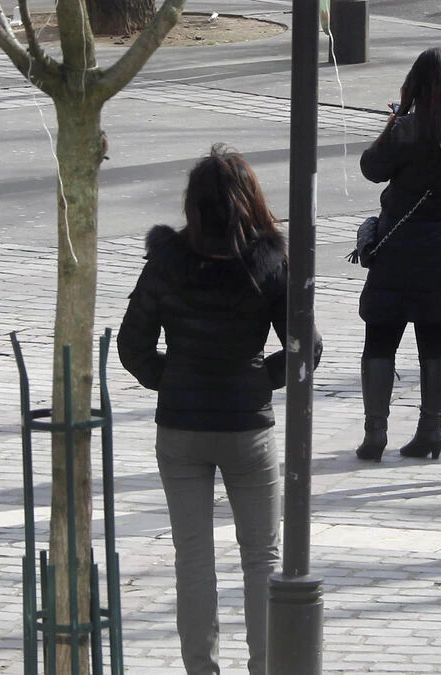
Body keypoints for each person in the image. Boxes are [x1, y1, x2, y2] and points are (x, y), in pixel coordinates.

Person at [117, 146, 321, 674]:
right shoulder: (269, 262)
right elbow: (308, 346)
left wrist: (174, 381)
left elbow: (132, 346)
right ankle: (264, 666)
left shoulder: (166, 261)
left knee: (193, 557)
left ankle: (201, 669)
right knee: (262, 558)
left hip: (181, 428)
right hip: (247, 426)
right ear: (247, 201)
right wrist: (260, 380)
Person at [355, 47, 441, 462]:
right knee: (434, 339)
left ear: (416, 84)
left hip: (399, 245)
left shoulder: (406, 128)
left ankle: (375, 433)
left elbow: (372, 167)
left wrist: (394, 121)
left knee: (380, 336)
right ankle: (431, 430)